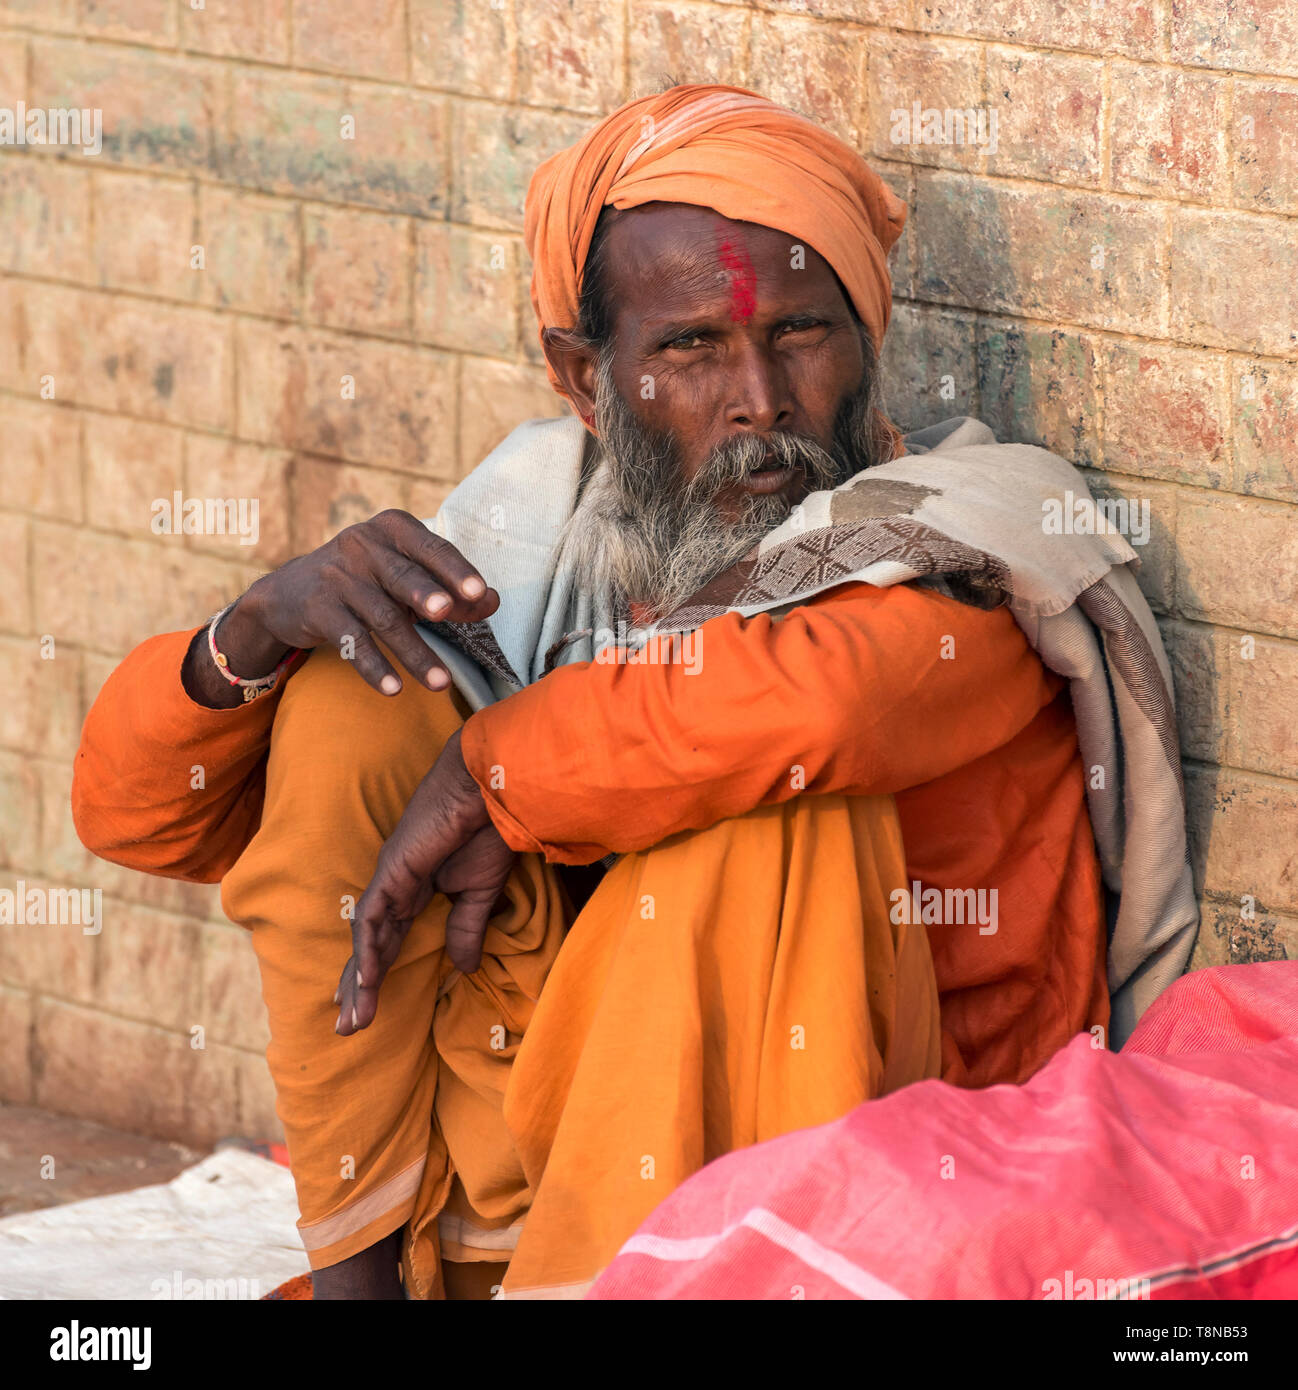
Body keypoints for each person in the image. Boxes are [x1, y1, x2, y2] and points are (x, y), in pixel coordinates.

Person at [74, 84, 1186, 1300]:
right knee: (353, 694)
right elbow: (141, 820)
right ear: (581, 373)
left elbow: (816, 711)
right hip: (541, 1140)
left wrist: (486, 771)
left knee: (765, 819)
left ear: (866, 342)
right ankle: (368, 1275)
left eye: (800, 333)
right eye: (690, 347)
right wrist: (242, 638)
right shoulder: (537, 533)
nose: (757, 396)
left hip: (876, 1171)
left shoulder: (958, 536)